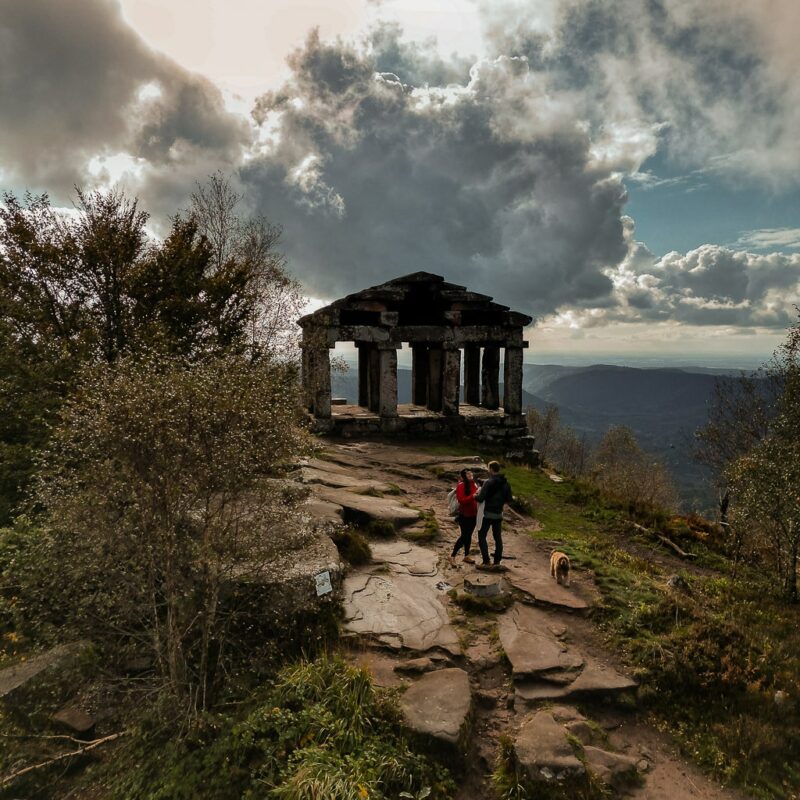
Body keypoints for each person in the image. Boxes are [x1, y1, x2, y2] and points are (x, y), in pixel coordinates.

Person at [475, 460, 513, 566]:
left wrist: (475, 496)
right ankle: (497, 561)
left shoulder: (488, 482)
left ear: (491, 469)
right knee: (498, 538)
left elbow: (480, 498)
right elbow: (509, 499)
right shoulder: (506, 483)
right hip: (498, 514)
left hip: (487, 514)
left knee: (482, 536)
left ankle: (486, 560)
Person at [450, 469, 478, 566]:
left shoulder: (474, 484)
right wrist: (473, 496)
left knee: (469, 535)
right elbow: (461, 500)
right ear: (464, 476)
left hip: (474, 515)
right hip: (464, 515)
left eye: (471, 472)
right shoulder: (461, 486)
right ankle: (452, 556)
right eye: (467, 473)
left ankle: (466, 555)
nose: (470, 474)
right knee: (464, 536)